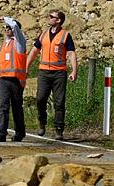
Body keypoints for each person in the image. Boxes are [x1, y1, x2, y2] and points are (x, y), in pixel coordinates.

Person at [26, 9, 77, 140]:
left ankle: (59, 129)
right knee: (40, 99)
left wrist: (74, 70)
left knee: (59, 102)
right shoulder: (43, 34)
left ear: (58, 20)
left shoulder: (65, 35)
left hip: (59, 73)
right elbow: (34, 51)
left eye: (51, 16)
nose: (48, 18)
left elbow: (71, 53)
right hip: (44, 72)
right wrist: (26, 66)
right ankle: (42, 122)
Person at [0, 16, 27, 142]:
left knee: (16, 107)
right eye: (6, 28)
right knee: (3, 106)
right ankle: (1, 134)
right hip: (4, 80)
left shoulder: (19, 43)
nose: (7, 29)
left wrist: (5, 18)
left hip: (16, 80)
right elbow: (3, 63)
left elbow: (15, 26)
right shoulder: (5, 44)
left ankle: (20, 133)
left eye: (9, 28)